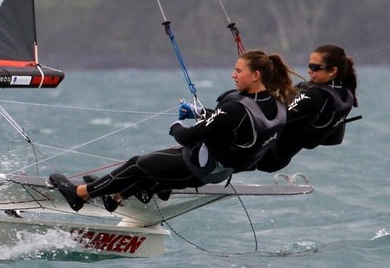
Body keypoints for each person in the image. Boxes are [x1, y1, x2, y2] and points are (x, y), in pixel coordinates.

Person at [50, 50, 297, 212]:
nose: (233, 75)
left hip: (198, 167)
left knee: (137, 164)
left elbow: (187, 136)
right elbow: (238, 126)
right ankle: (116, 196)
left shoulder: (235, 107)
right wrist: (201, 113)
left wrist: (176, 126)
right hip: (220, 171)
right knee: (151, 168)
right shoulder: (278, 107)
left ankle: (80, 194)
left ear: (255, 75)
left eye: (238, 70)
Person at [255, 44, 358, 172]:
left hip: (264, 156)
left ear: (333, 71)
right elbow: (334, 139)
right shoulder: (345, 94)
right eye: (309, 66)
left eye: (315, 68)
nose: (309, 71)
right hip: (278, 158)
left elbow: (277, 118)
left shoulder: (314, 96)